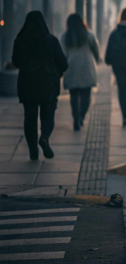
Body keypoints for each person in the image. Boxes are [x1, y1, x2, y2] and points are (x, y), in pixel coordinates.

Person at [12, 11, 68, 160]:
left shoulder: (20, 40)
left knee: (29, 117)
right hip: (48, 83)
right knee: (48, 114)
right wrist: (56, 73)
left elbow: (15, 61)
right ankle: (44, 137)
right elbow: (63, 63)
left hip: (27, 84)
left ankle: (33, 150)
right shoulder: (51, 41)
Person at [60, 14, 100, 131]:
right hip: (86, 68)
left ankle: (76, 119)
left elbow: (62, 53)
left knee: (73, 96)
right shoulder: (89, 35)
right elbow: (96, 50)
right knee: (86, 96)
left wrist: (62, 67)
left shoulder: (64, 37)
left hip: (72, 68)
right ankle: (82, 116)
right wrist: (96, 61)